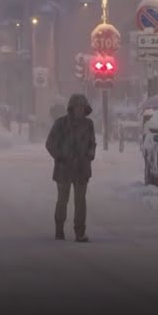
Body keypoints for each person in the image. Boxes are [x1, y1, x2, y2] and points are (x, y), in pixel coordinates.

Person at [45, 94, 96, 242]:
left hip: (82, 169)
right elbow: (50, 143)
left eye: (82, 107)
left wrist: (89, 155)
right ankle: (59, 229)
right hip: (64, 168)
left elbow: (92, 143)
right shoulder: (60, 124)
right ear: (71, 108)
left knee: (80, 201)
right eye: (77, 107)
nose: (80, 110)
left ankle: (80, 231)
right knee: (62, 200)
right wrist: (60, 156)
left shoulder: (88, 124)